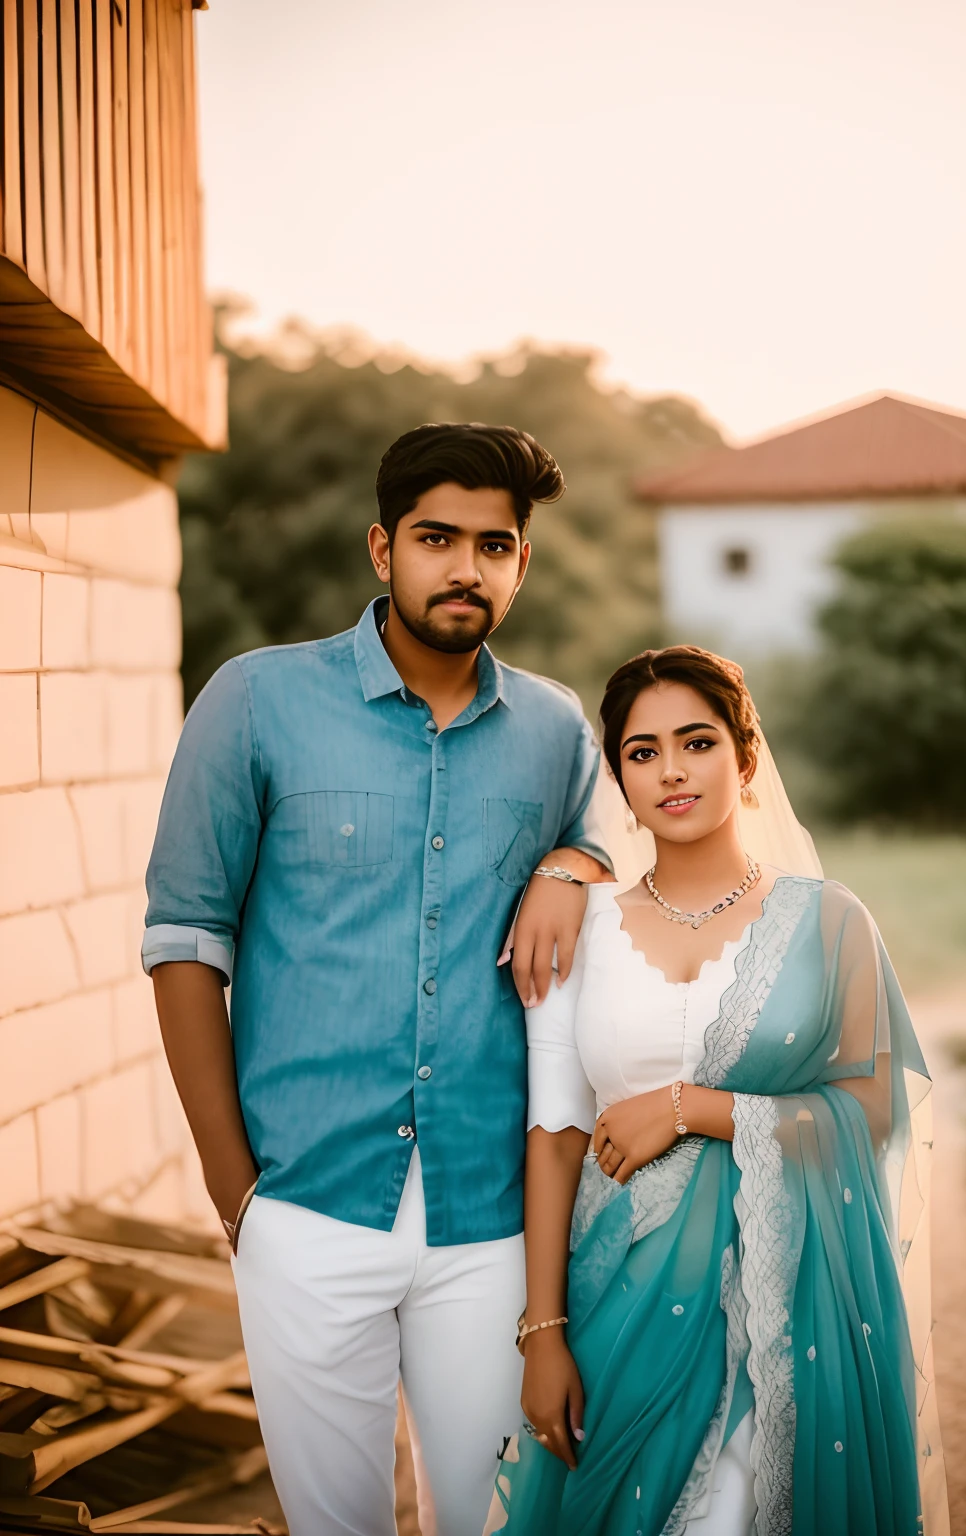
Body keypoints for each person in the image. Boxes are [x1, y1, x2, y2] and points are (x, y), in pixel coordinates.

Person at [142, 423, 612, 1536]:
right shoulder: (255, 701)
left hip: (491, 1218)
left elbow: (612, 849)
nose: (465, 568)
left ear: (522, 564)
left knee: (496, 1520)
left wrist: (570, 862)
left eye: (493, 546)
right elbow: (184, 940)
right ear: (380, 549)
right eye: (436, 538)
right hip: (305, 1200)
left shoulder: (554, 730)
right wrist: (234, 1190)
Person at [486, 645, 949, 1536]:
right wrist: (542, 1331)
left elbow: (880, 1105)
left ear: (745, 755)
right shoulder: (586, 928)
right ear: (619, 778)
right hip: (622, 1302)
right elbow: (555, 1135)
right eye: (642, 752)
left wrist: (699, 1110)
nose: (671, 772)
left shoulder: (830, 919)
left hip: (799, 1315)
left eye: (696, 743)